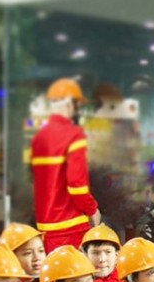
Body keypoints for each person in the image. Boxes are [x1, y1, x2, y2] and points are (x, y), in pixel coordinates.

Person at [30, 78, 101, 252]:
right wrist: (93, 210)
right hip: (71, 226)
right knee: (74, 269)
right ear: (70, 104)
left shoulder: (39, 137)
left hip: (45, 227)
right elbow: (76, 184)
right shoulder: (73, 135)